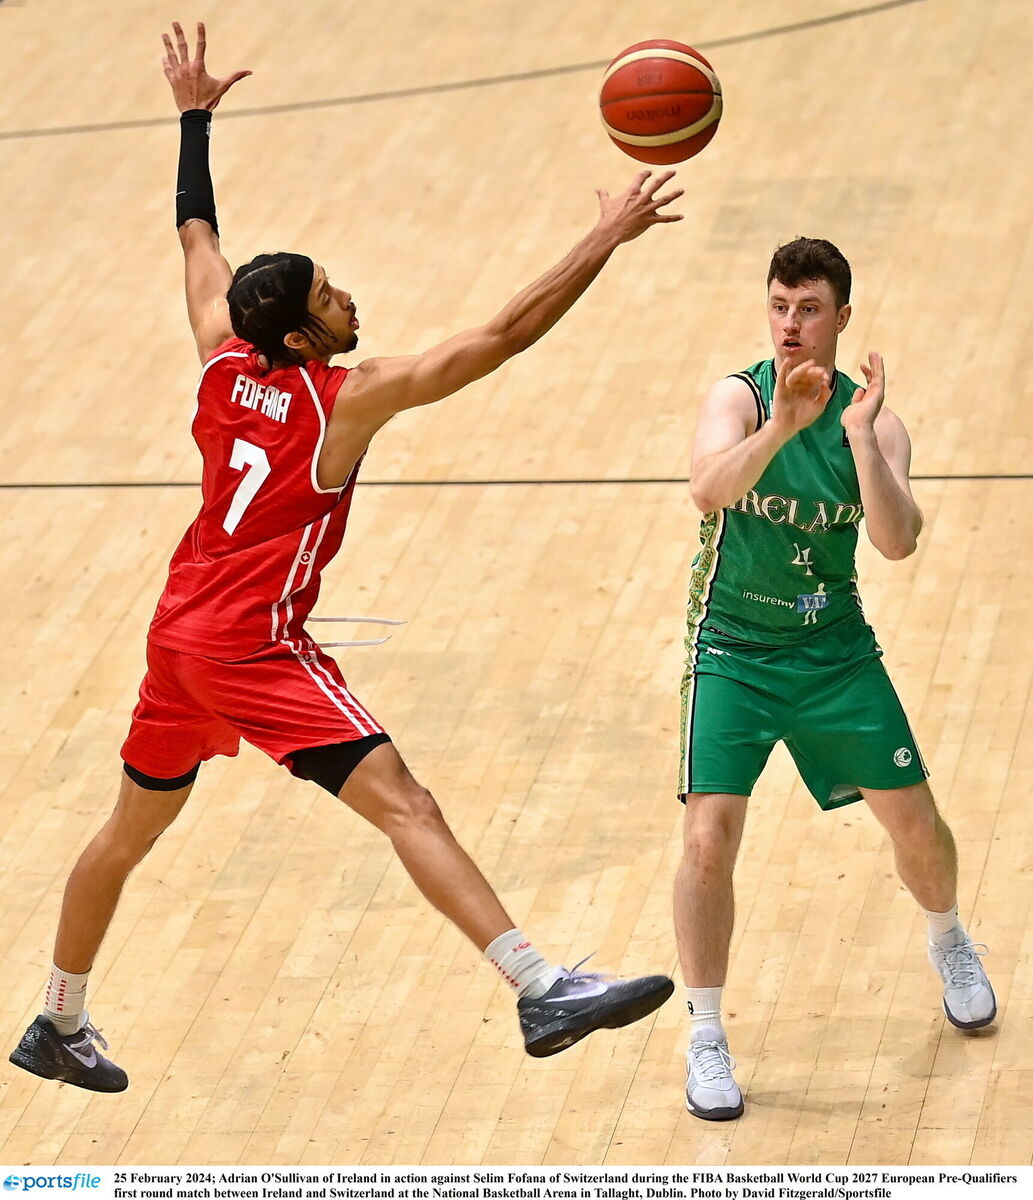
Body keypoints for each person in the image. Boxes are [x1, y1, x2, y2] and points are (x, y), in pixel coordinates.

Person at [9, 22, 683, 1094]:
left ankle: (57, 1017)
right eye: (329, 298)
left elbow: (195, 241)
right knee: (405, 802)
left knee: (127, 829)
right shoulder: (342, 403)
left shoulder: (222, 355)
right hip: (250, 648)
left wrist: (193, 118)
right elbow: (502, 337)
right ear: (301, 338)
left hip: (177, 637)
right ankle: (538, 986)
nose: (347, 300)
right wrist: (604, 236)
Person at [673, 237, 996, 1121]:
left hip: (833, 653)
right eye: (779, 305)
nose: (789, 323)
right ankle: (705, 1034)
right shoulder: (735, 398)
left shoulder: (876, 419)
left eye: (808, 308)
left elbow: (895, 540)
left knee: (918, 825)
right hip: (732, 650)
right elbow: (707, 489)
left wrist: (854, 437)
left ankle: (948, 938)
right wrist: (782, 425)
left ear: (840, 318)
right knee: (708, 840)